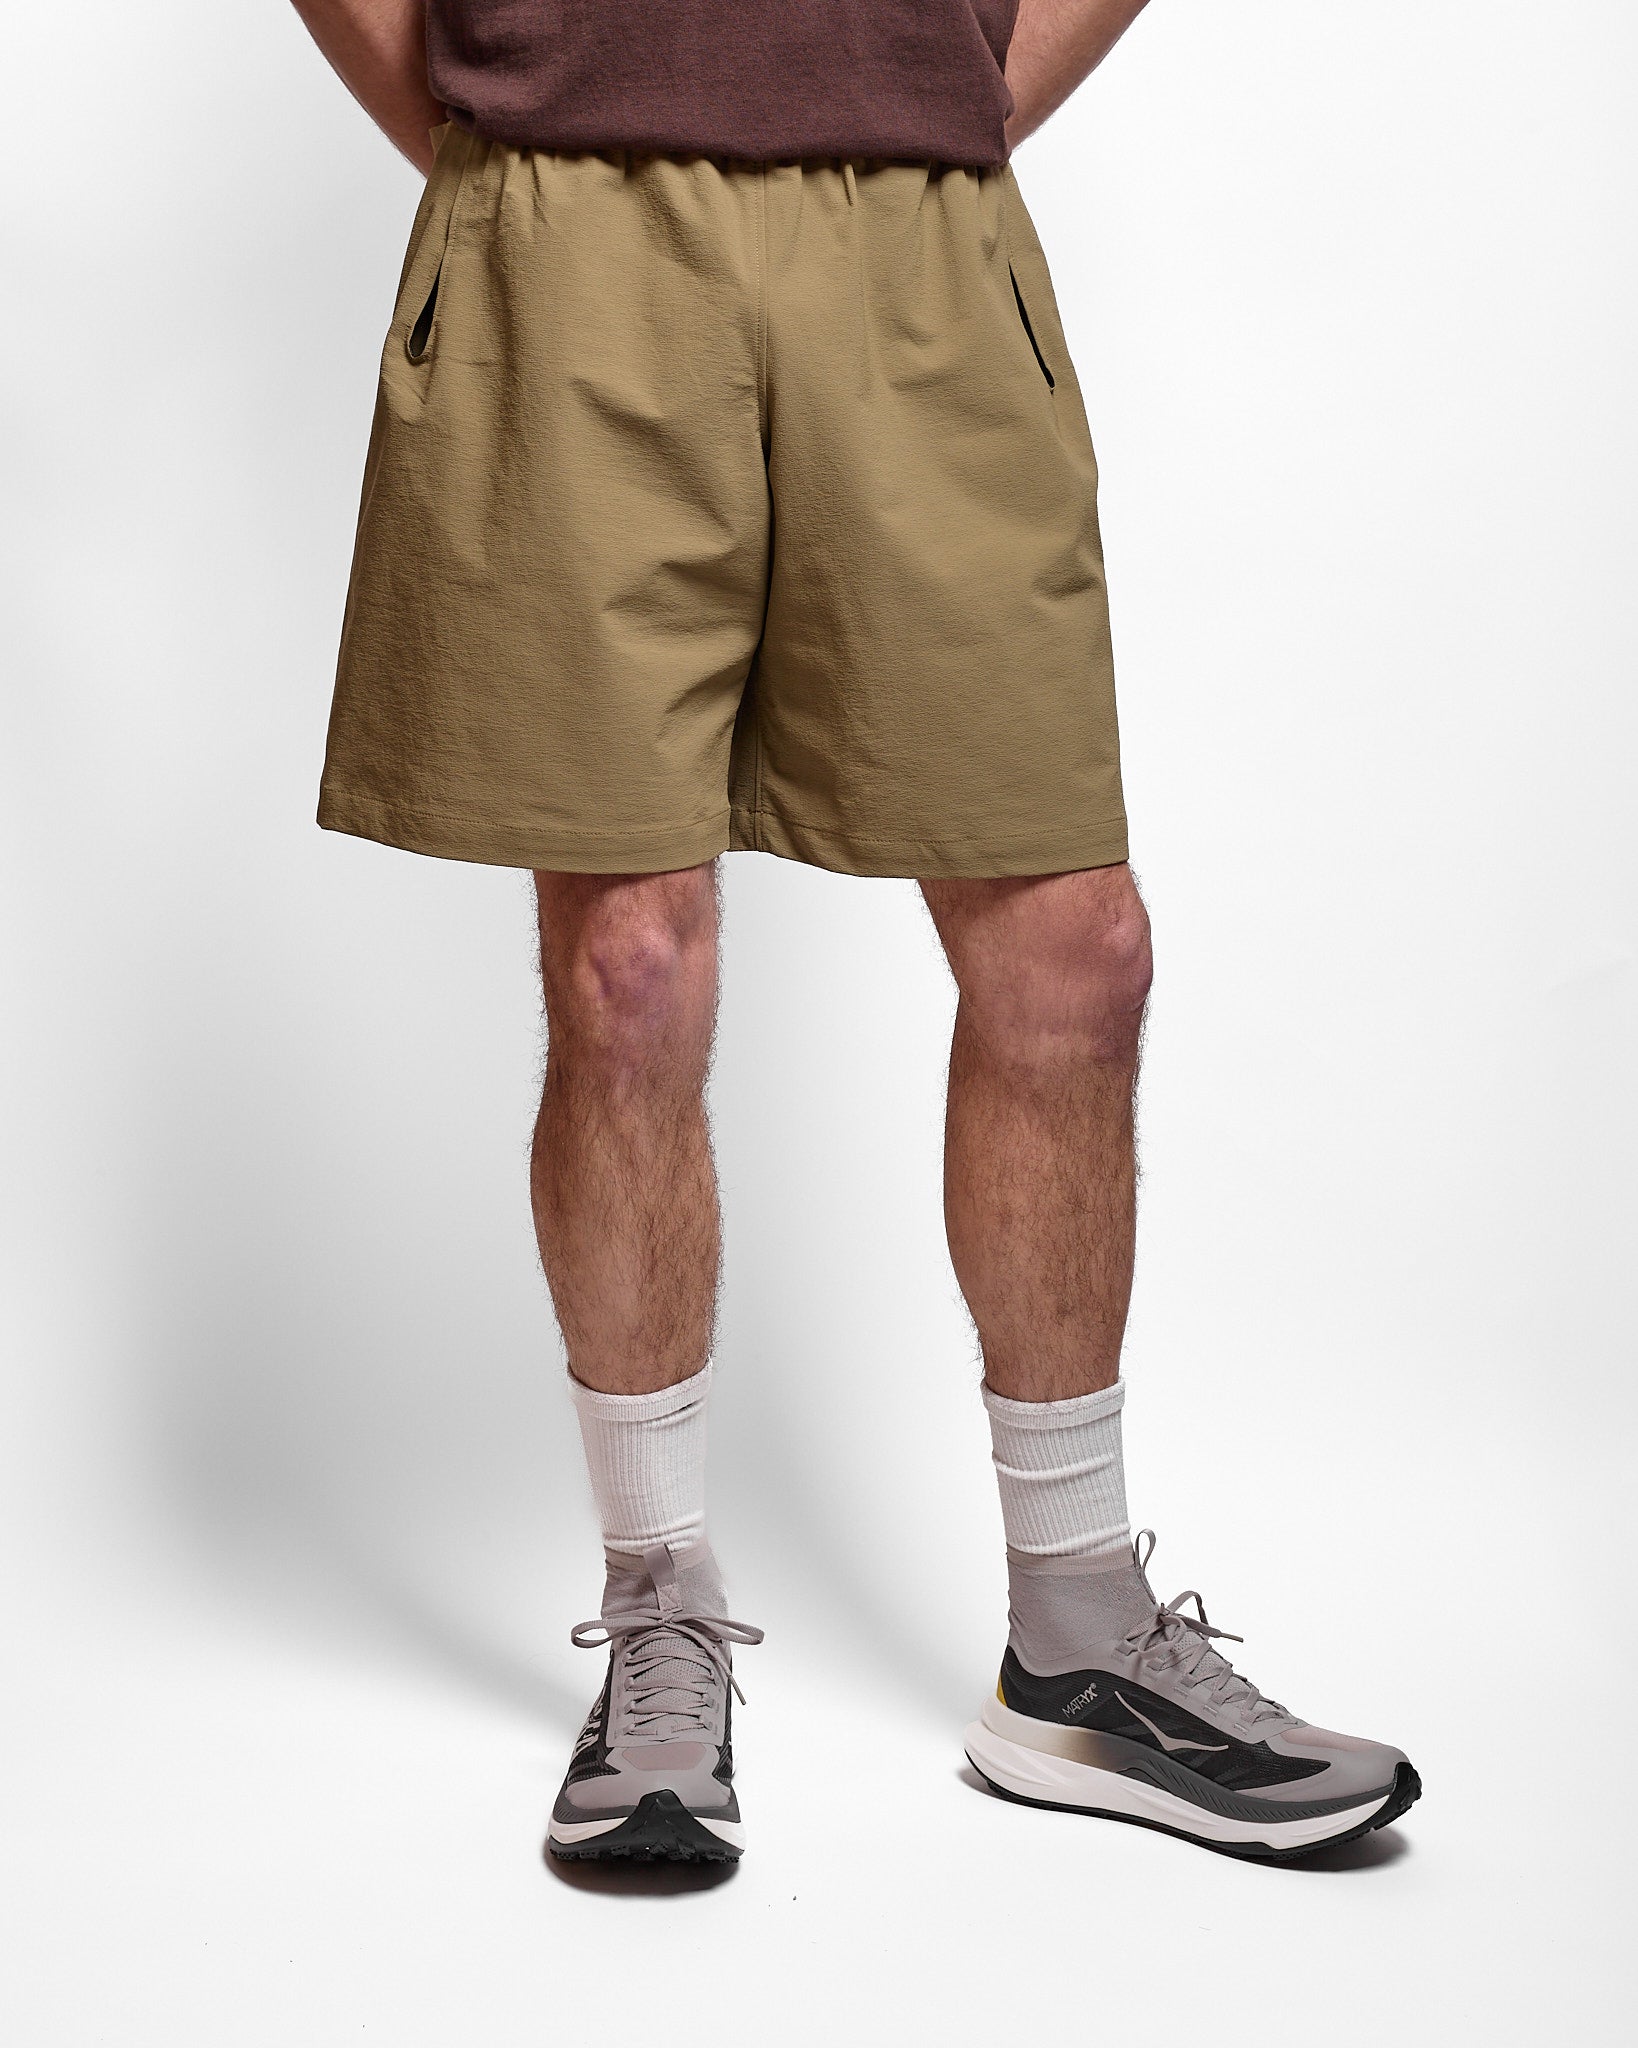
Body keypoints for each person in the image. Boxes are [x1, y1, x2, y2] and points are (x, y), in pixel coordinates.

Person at [290, 0, 1420, 1865]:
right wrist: (507, 130)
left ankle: (1078, 1645)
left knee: (1073, 948)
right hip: (566, 226)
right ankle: (657, 1615)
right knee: (626, 969)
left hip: (919, 235)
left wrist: (948, 94)